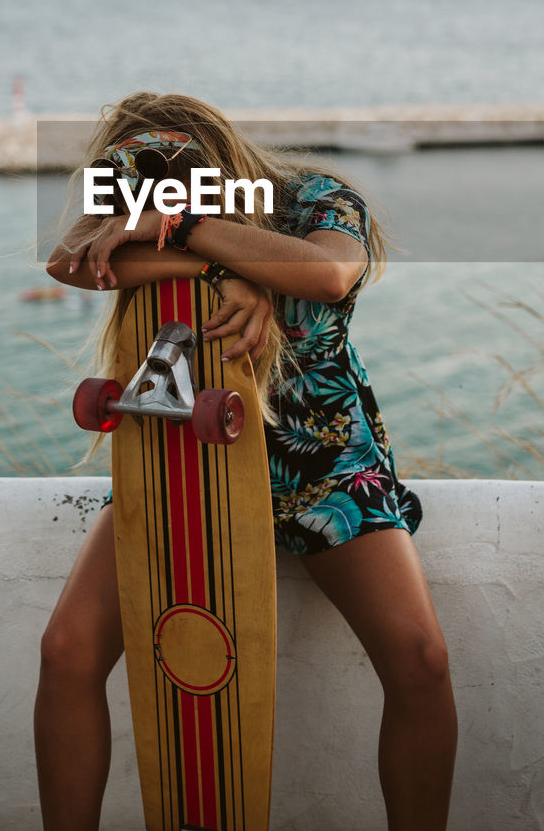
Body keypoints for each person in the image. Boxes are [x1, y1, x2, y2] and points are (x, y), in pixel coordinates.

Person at [35, 91, 457, 831]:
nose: (163, 186)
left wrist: (182, 231)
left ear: (221, 158)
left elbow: (329, 275)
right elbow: (70, 260)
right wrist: (210, 272)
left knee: (420, 661)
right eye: (143, 179)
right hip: (180, 460)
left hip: (321, 467)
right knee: (66, 651)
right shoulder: (137, 204)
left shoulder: (317, 200)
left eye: (182, 170)